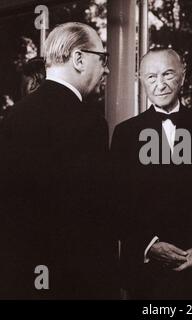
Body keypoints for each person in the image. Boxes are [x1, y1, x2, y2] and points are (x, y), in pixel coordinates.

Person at [0, 22, 116, 299]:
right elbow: (94, 217)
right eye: (103, 59)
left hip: (21, 278)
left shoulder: (15, 116)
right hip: (73, 282)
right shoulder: (90, 123)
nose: (107, 69)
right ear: (78, 58)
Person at [110, 48, 192, 299]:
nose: (160, 84)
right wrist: (149, 246)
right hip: (146, 274)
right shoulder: (125, 134)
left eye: (168, 74)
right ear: (140, 80)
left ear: (183, 77)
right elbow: (115, 202)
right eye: (151, 77)